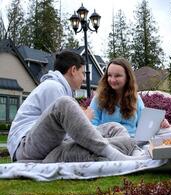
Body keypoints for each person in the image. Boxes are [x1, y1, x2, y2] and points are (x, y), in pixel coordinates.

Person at [8, 51, 145, 163]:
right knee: (65, 103)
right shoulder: (53, 87)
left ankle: (129, 148)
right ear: (73, 70)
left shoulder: (61, 89)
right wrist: (84, 118)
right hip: (26, 148)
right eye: (83, 73)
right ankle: (115, 153)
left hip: (47, 146)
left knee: (115, 127)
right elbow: (70, 135)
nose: (84, 78)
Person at [90, 57, 171, 138]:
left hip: (133, 139)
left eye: (117, 76)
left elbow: (144, 124)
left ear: (127, 77)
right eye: (109, 75)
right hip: (111, 140)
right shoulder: (99, 98)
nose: (112, 80)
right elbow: (91, 125)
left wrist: (159, 123)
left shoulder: (135, 98)